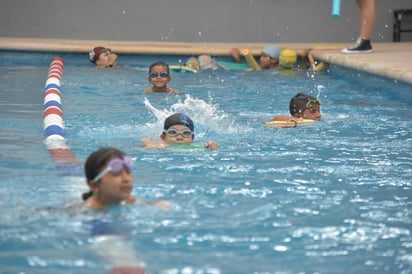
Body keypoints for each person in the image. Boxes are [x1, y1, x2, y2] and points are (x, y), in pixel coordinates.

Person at [82, 147, 170, 210]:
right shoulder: (87, 211)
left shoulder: (126, 199)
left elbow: (143, 203)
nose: (126, 179)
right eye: (116, 174)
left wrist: (154, 204)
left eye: (128, 172)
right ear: (94, 185)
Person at [142, 113, 220, 150]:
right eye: (173, 132)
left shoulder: (196, 148)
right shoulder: (157, 146)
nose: (179, 137)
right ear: (163, 136)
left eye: (186, 133)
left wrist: (213, 148)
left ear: (192, 138)